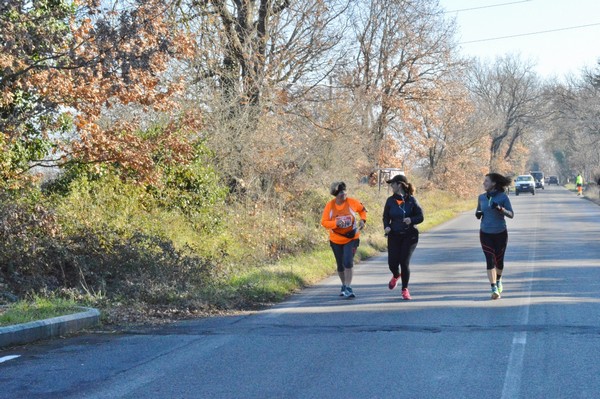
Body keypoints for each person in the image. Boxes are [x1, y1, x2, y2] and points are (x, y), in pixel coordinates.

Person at [321, 181, 367, 298]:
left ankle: (348, 286)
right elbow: (324, 222)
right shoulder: (330, 206)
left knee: (348, 261)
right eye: (341, 192)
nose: (344, 194)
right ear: (335, 194)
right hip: (336, 239)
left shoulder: (352, 202)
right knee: (340, 265)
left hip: (351, 238)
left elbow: (362, 210)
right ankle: (343, 285)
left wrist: (363, 220)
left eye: (345, 191)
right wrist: (336, 223)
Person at [383, 174, 424, 300]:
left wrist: (411, 220)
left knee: (404, 262)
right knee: (392, 263)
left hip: (409, 236)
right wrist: (387, 226)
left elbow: (420, 217)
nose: (391, 186)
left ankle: (405, 289)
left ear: (399, 184)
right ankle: (396, 274)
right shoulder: (390, 201)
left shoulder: (412, 200)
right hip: (394, 235)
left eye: (392, 184)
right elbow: (385, 217)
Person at [475, 173, 514, 300]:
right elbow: (479, 211)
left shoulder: (503, 197)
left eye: (486, 181)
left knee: (499, 261)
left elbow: (511, 214)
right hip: (485, 233)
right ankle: (493, 288)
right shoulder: (481, 197)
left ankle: (498, 280)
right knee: (490, 260)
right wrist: (478, 214)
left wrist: (499, 208)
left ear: (493, 183)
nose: (484, 183)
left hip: (500, 233)